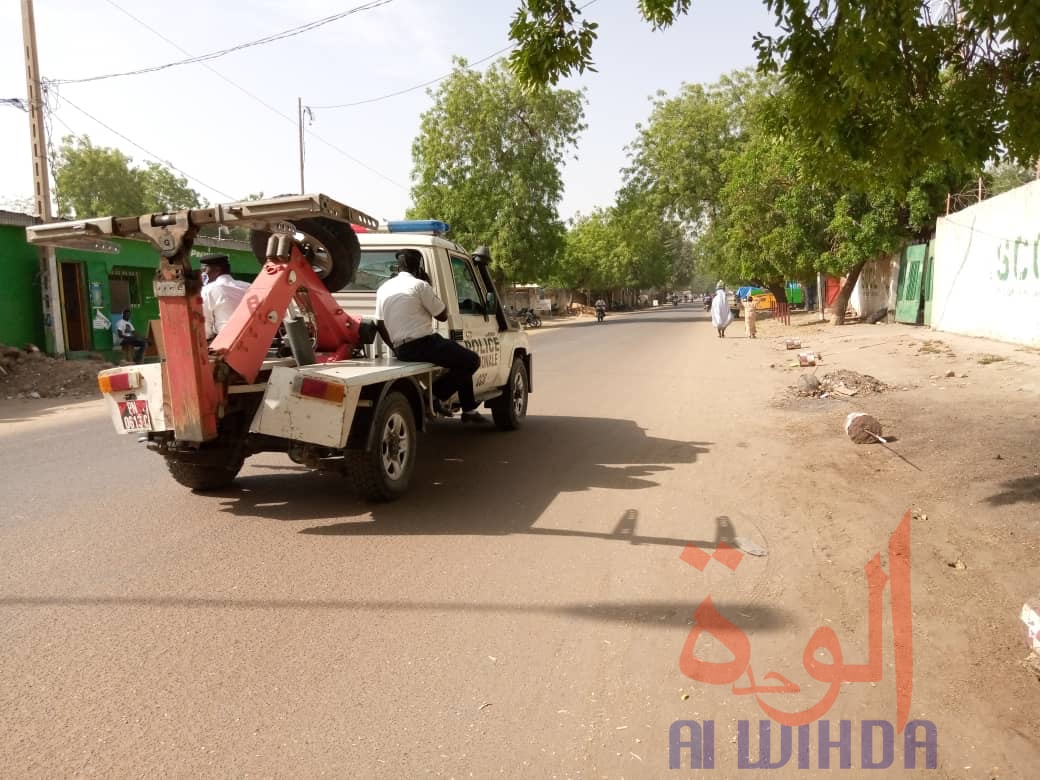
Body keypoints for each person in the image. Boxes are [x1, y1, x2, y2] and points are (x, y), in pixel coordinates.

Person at [374, 248, 486, 423]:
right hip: (424, 344)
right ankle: (434, 396)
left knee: (459, 357)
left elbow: (379, 323)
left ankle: (469, 410)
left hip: (402, 349)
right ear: (418, 268)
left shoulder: (383, 288)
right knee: (471, 360)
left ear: (397, 268)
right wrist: (430, 289)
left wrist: (394, 348)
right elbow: (441, 315)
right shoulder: (420, 286)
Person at [200, 253, 250, 340]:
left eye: (205, 269)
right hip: (252, 338)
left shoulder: (208, 290)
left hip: (225, 342)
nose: (203, 273)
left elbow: (205, 323)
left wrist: (205, 338)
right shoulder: (248, 286)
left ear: (217, 270)